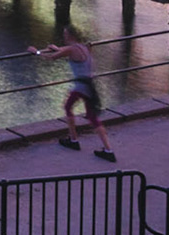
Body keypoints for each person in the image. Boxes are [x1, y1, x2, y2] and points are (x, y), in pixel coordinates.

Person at [29, 25, 116, 162]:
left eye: (65, 34)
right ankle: (108, 149)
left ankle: (74, 140)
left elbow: (51, 58)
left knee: (68, 107)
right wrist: (57, 49)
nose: (64, 36)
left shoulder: (71, 49)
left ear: (70, 36)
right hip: (89, 85)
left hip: (81, 86)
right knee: (93, 118)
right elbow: (68, 53)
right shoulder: (84, 47)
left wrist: (36, 52)